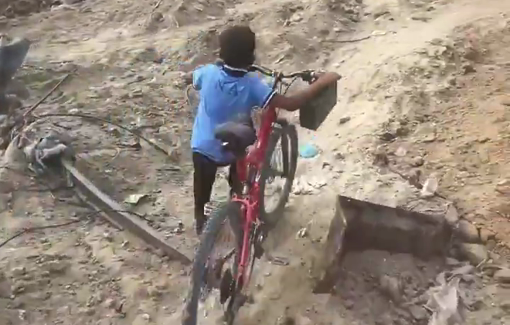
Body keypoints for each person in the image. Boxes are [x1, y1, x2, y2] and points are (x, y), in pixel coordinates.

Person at [185, 25, 341, 235]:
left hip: (203, 147)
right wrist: (322, 82)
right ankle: (238, 205)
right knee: (239, 173)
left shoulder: (207, 73)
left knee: (202, 187)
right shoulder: (253, 85)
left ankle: (200, 220)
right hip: (232, 150)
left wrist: (189, 76)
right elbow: (291, 103)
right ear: (251, 56)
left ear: (221, 54)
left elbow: (192, 79)